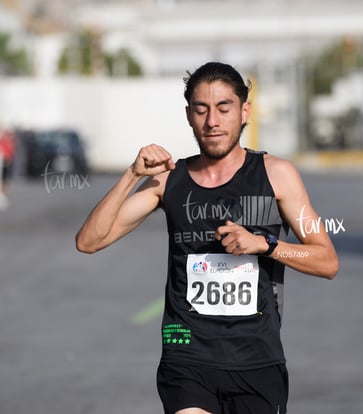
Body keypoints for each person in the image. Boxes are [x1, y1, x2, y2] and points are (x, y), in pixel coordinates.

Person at [76, 61, 339, 414]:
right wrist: (131, 175)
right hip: (187, 358)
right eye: (201, 109)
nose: (211, 121)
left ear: (245, 111)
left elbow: (327, 261)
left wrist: (265, 245)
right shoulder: (169, 181)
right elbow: (89, 241)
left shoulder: (277, 176)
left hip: (256, 361)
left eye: (223, 108)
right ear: (188, 115)